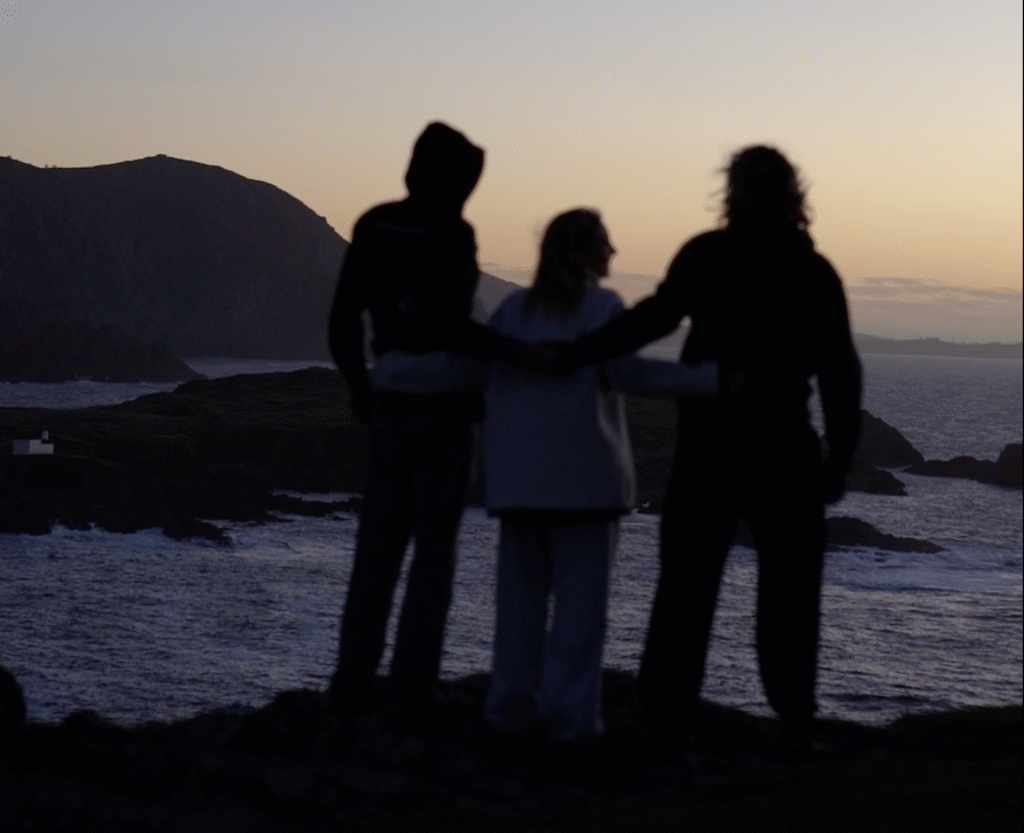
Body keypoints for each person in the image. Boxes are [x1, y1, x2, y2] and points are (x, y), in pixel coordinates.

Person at [560, 147, 862, 749]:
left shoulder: (707, 254)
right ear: (795, 195)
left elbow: (654, 318)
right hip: (784, 444)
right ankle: (795, 720)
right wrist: (839, 456)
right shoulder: (813, 270)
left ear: (730, 193)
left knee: (687, 586)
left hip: (710, 446)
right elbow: (839, 371)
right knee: (789, 591)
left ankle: (664, 718)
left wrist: (576, 351)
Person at [483, 209, 719, 741]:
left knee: (518, 607)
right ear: (582, 253)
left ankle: (508, 709)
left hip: (517, 482)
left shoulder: (513, 311)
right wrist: (712, 379)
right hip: (585, 482)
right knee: (580, 614)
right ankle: (569, 720)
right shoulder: (601, 307)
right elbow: (629, 373)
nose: (613, 253)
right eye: (605, 244)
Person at [326, 122, 521, 721]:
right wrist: (520, 353)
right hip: (445, 413)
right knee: (435, 551)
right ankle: (413, 684)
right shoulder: (452, 233)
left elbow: (343, 317)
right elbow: (450, 327)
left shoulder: (375, 224)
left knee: (377, 547)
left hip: (389, 403)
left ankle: (353, 679)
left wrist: (360, 388)